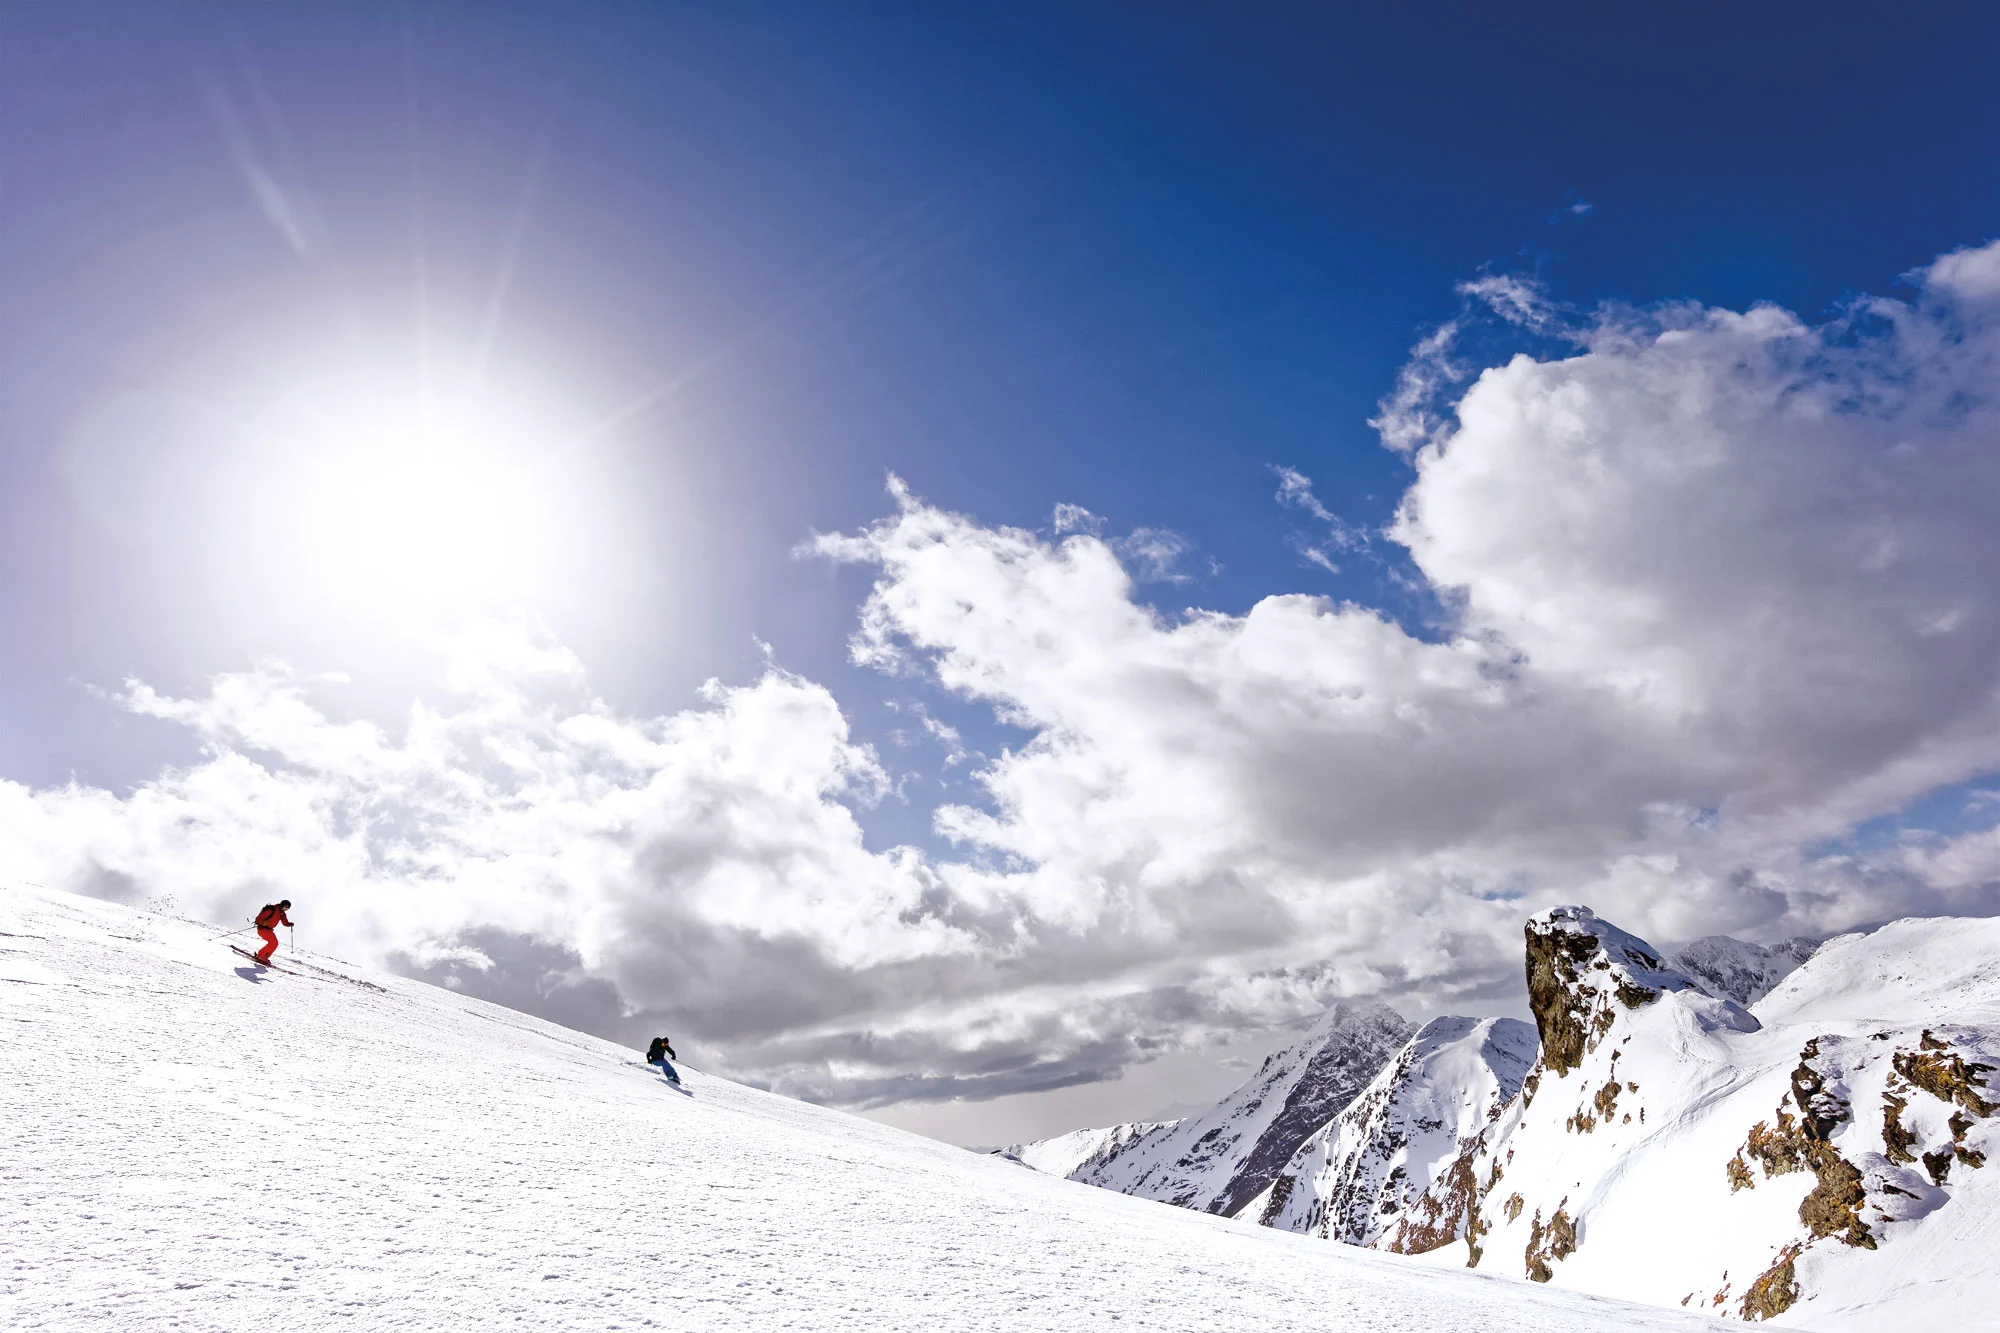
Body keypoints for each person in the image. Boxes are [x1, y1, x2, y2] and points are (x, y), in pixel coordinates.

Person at [253, 900, 294, 964]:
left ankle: (264, 956)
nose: (285, 909)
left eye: (287, 908)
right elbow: (258, 919)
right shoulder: (272, 909)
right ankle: (261, 956)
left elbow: (284, 922)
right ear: (282, 905)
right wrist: (263, 923)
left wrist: (289, 924)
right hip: (262, 929)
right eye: (285, 907)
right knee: (273, 942)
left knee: (275, 943)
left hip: (269, 930)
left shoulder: (282, 914)